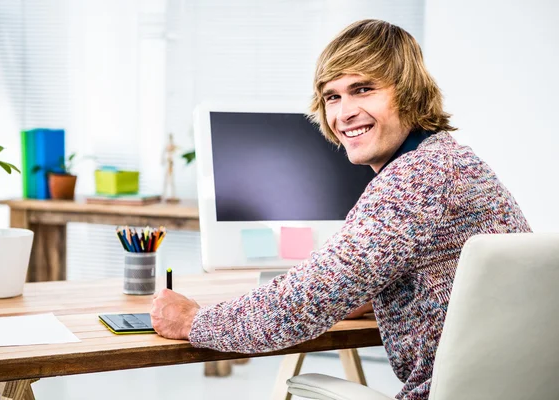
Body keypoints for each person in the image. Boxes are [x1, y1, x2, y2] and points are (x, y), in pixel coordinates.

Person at [150, 19, 531, 399]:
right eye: (332, 97)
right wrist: (363, 292)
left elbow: (297, 306)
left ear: (410, 93)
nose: (344, 114)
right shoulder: (454, 162)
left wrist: (194, 321)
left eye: (363, 89)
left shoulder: (415, 178)